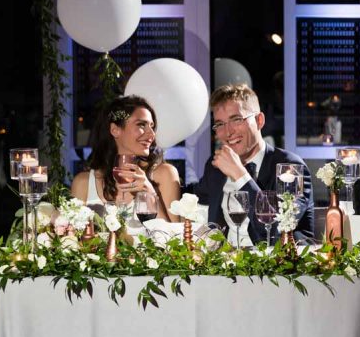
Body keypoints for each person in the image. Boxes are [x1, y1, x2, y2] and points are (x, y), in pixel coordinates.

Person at [191, 84, 313, 245]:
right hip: (226, 265)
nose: (228, 132)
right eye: (220, 124)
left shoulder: (290, 167)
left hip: (281, 265)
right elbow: (192, 197)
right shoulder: (215, 167)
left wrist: (240, 175)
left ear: (259, 120)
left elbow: (278, 229)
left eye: (236, 119)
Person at [71, 95, 181, 221]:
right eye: (141, 125)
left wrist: (150, 193)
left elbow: (173, 238)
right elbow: (73, 238)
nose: (151, 134)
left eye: (151, 126)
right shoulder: (83, 183)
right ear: (115, 130)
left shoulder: (164, 174)